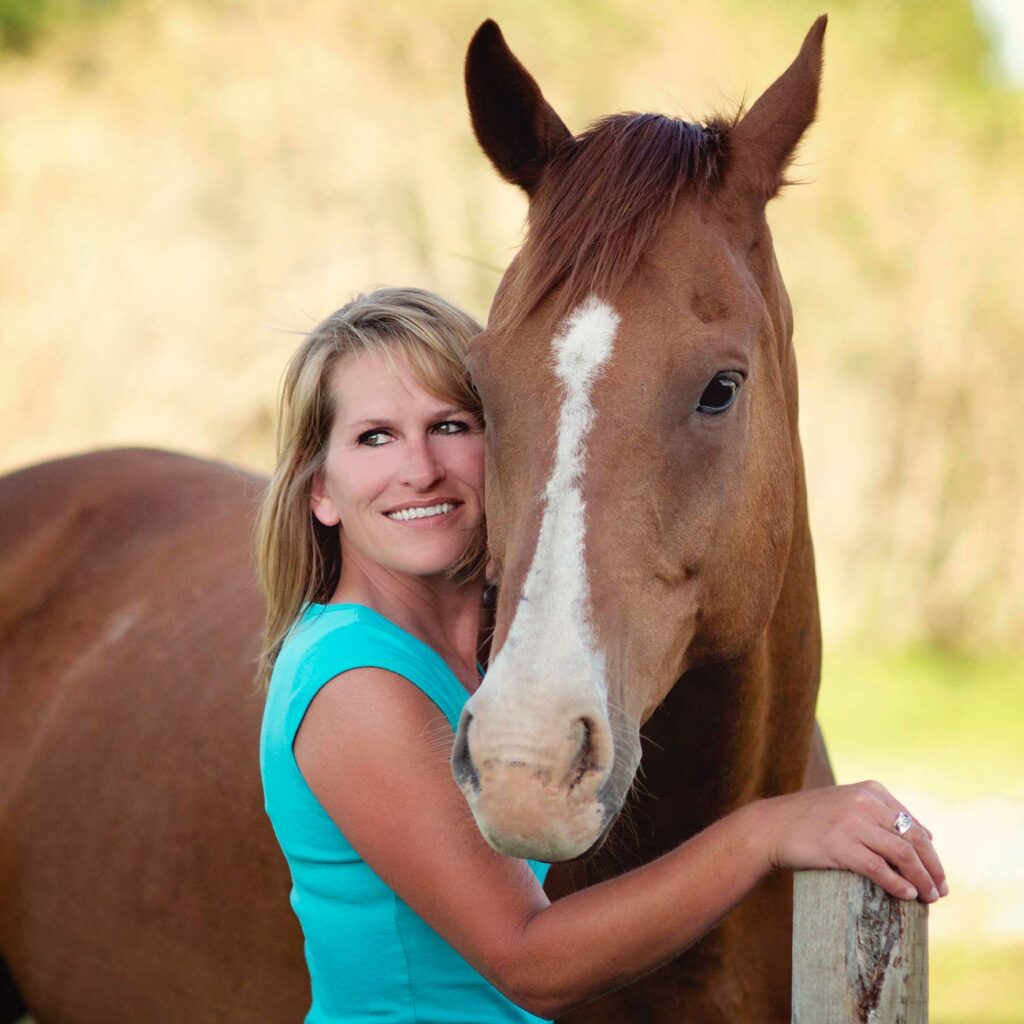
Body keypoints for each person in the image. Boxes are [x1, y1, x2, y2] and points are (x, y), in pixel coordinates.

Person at [256, 286, 947, 1024]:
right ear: (320, 490)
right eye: (375, 438)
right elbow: (529, 959)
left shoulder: (499, 662)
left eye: (449, 425)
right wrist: (767, 831)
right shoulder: (356, 683)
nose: (420, 468)